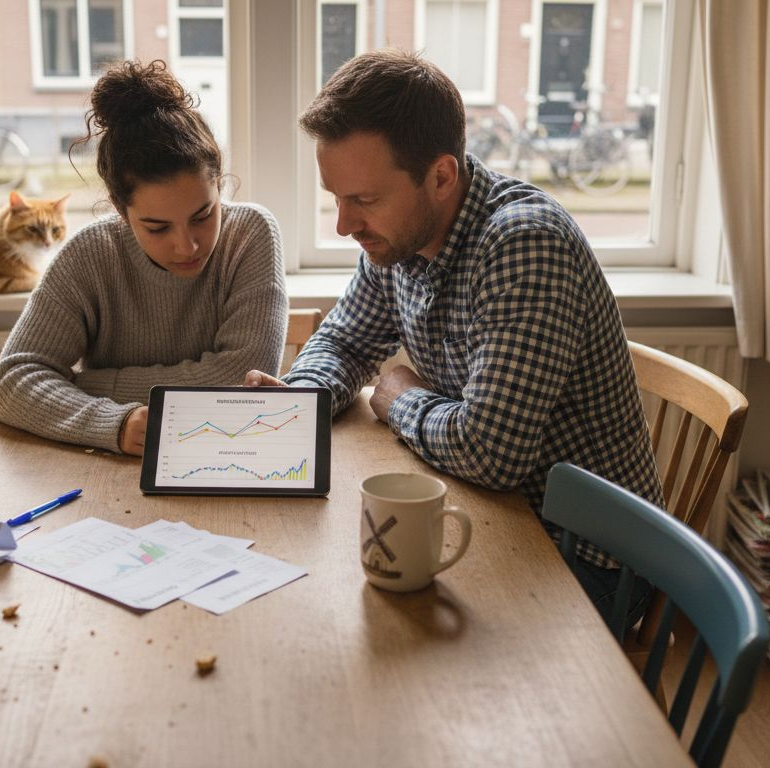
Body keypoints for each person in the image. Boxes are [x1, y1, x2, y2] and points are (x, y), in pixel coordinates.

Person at [243, 50, 664, 629]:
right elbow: (344, 341)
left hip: (586, 558)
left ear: (441, 175)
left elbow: (491, 453)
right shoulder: (396, 238)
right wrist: (302, 400)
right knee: (328, 595)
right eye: (335, 197)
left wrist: (396, 398)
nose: (344, 225)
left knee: (380, 633)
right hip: (490, 514)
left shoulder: (523, 245)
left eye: (363, 199)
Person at [0, 59, 288, 455]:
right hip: (107, 480)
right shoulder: (90, 254)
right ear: (119, 209)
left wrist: (89, 386)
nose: (188, 247)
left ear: (218, 183)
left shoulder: (251, 233)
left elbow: (239, 378)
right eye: (157, 227)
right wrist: (113, 423)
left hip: (231, 459)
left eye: (203, 216)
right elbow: (11, 380)